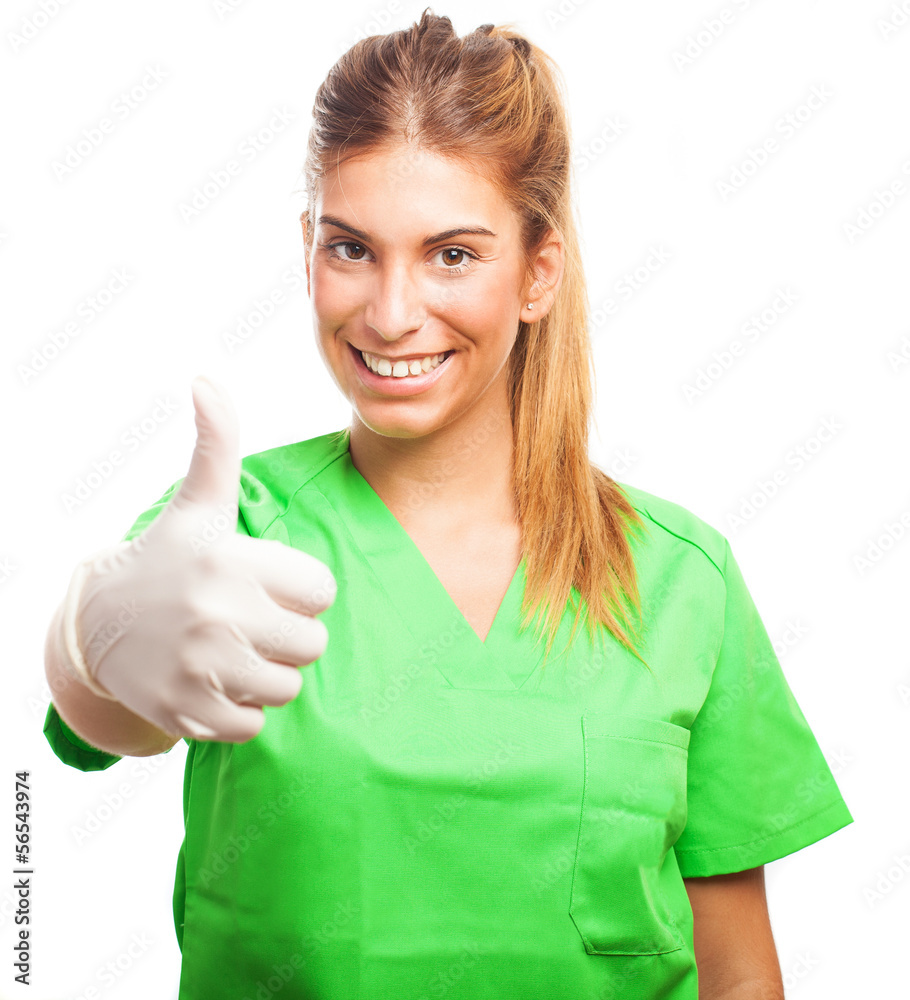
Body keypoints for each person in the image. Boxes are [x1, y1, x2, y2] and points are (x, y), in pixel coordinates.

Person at [43, 9, 853, 998]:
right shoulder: (229, 535)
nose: (389, 312)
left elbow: (738, 976)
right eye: (351, 249)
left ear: (538, 270)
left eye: (452, 254)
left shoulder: (682, 577)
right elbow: (97, 724)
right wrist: (86, 633)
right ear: (307, 252)